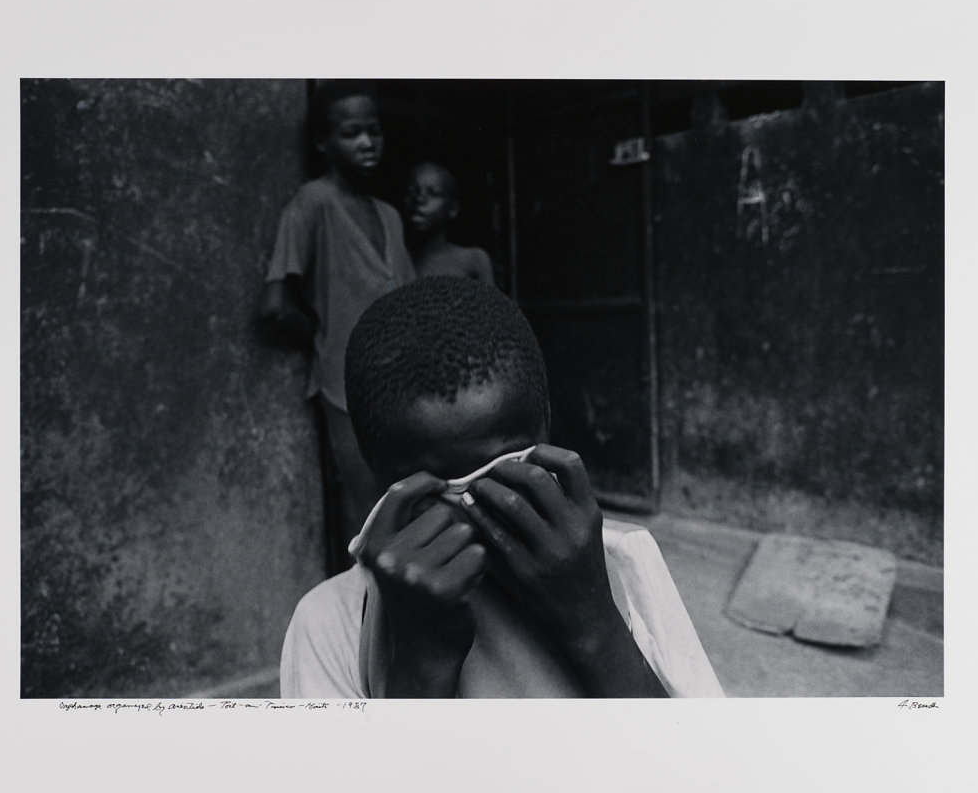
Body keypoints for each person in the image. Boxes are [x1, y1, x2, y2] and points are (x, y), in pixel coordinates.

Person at [280, 276, 724, 698]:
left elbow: (697, 767)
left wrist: (590, 620)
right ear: (376, 471)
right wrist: (422, 662)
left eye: (502, 469)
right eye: (436, 490)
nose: (473, 507)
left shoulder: (624, 562)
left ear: (546, 428)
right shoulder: (333, 622)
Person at [260, 81, 416, 567]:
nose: (368, 143)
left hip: (405, 382)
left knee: (409, 500)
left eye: (374, 131)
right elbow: (274, 304)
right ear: (324, 142)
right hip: (345, 385)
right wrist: (330, 335)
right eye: (352, 133)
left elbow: (409, 298)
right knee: (364, 511)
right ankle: (363, 622)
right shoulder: (313, 203)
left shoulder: (389, 215)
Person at [402, 162, 494, 283]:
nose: (419, 199)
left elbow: (491, 301)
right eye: (412, 191)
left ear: (453, 209)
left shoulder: (473, 259)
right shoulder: (395, 258)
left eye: (433, 193)